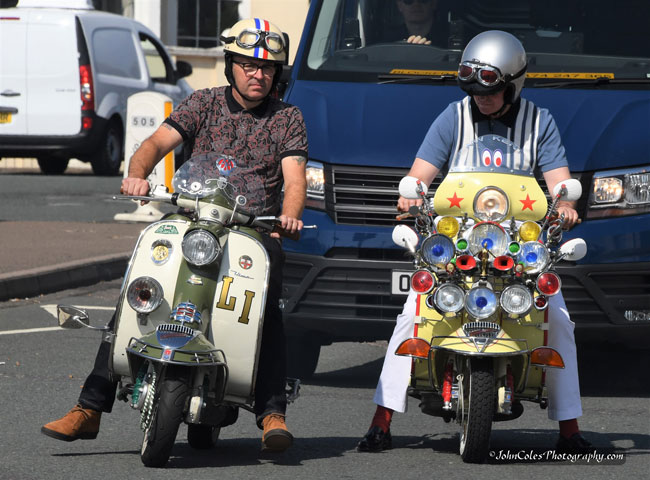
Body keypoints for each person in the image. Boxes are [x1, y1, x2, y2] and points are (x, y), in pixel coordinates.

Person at [41, 18, 308, 453]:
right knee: (137, 291)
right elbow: (155, 143)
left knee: (266, 308)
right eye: (247, 64)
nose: (257, 74)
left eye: (267, 68)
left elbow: (293, 179)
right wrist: (136, 174)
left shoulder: (287, 118)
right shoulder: (201, 102)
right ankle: (89, 407)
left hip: (251, 231)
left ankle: (271, 412)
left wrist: (287, 219)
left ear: (277, 74)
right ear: (231, 65)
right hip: (191, 221)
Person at [357, 30, 592, 454]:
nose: (482, 99)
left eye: (493, 90)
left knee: (557, 321)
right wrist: (411, 195)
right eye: (475, 90)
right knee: (411, 316)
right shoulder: (453, 116)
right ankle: (381, 421)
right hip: (455, 244)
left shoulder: (540, 122)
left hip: (520, 245)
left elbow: (559, 183)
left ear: (514, 85)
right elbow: (420, 173)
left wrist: (565, 206)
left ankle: (570, 431)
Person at [383, 0, 448, 46]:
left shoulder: (449, 39)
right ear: (399, 5)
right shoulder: (388, 40)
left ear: (433, 3)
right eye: (409, 1)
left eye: (423, 0)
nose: (416, 4)